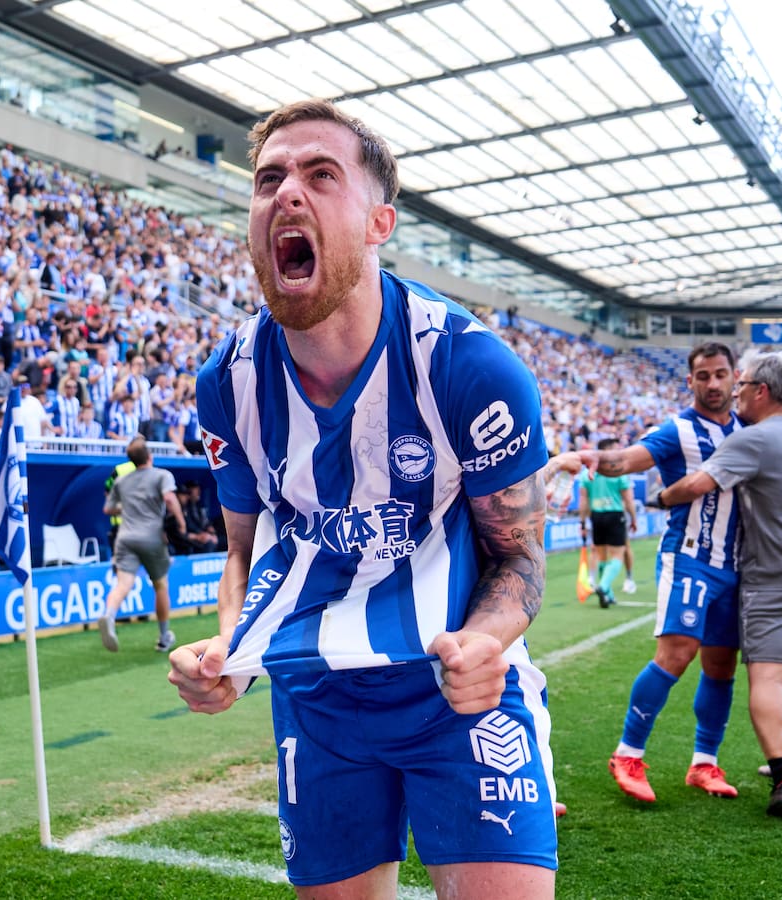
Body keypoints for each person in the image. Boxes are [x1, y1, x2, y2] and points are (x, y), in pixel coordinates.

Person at [167, 100, 556, 898]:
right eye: (268, 178)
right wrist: (231, 655)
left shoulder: (469, 367)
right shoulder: (227, 384)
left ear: (378, 222)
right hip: (318, 697)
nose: (287, 194)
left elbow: (519, 555)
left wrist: (485, 643)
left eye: (319, 174)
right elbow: (245, 550)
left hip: (455, 688)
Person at [548, 342, 744, 804]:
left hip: (735, 563)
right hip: (690, 556)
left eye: (720, 374)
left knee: (721, 665)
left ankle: (704, 763)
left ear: (735, 377)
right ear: (690, 380)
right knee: (676, 653)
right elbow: (628, 459)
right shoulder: (678, 429)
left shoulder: (748, 429)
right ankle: (627, 753)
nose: (713, 383)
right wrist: (585, 456)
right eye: (703, 375)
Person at [654, 351, 782, 818]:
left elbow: (697, 485)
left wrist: (661, 497)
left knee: (768, 677)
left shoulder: (753, 439)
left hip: (776, 579)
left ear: (762, 391)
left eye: (742, 384)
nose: (734, 391)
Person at [97, 436, 186, 654]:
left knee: (123, 584)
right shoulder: (162, 475)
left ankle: (109, 615)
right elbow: (170, 499)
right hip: (152, 538)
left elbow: (108, 509)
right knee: (160, 586)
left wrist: (129, 508)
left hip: (125, 538)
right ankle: (165, 636)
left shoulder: (121, 481)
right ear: (149, 456)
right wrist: (181, 523)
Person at [576, 437, 636, 608]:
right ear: (608, 450)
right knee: (617, 555)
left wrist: (582, 522)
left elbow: (583, 501)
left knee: (601, 555)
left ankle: (608, 594)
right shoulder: (618, 471)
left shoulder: (586, 474)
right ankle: (603, 586)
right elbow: (628, 499)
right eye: (615, 449)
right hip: (615, 515)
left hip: (596, 516)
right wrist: (634, 518)